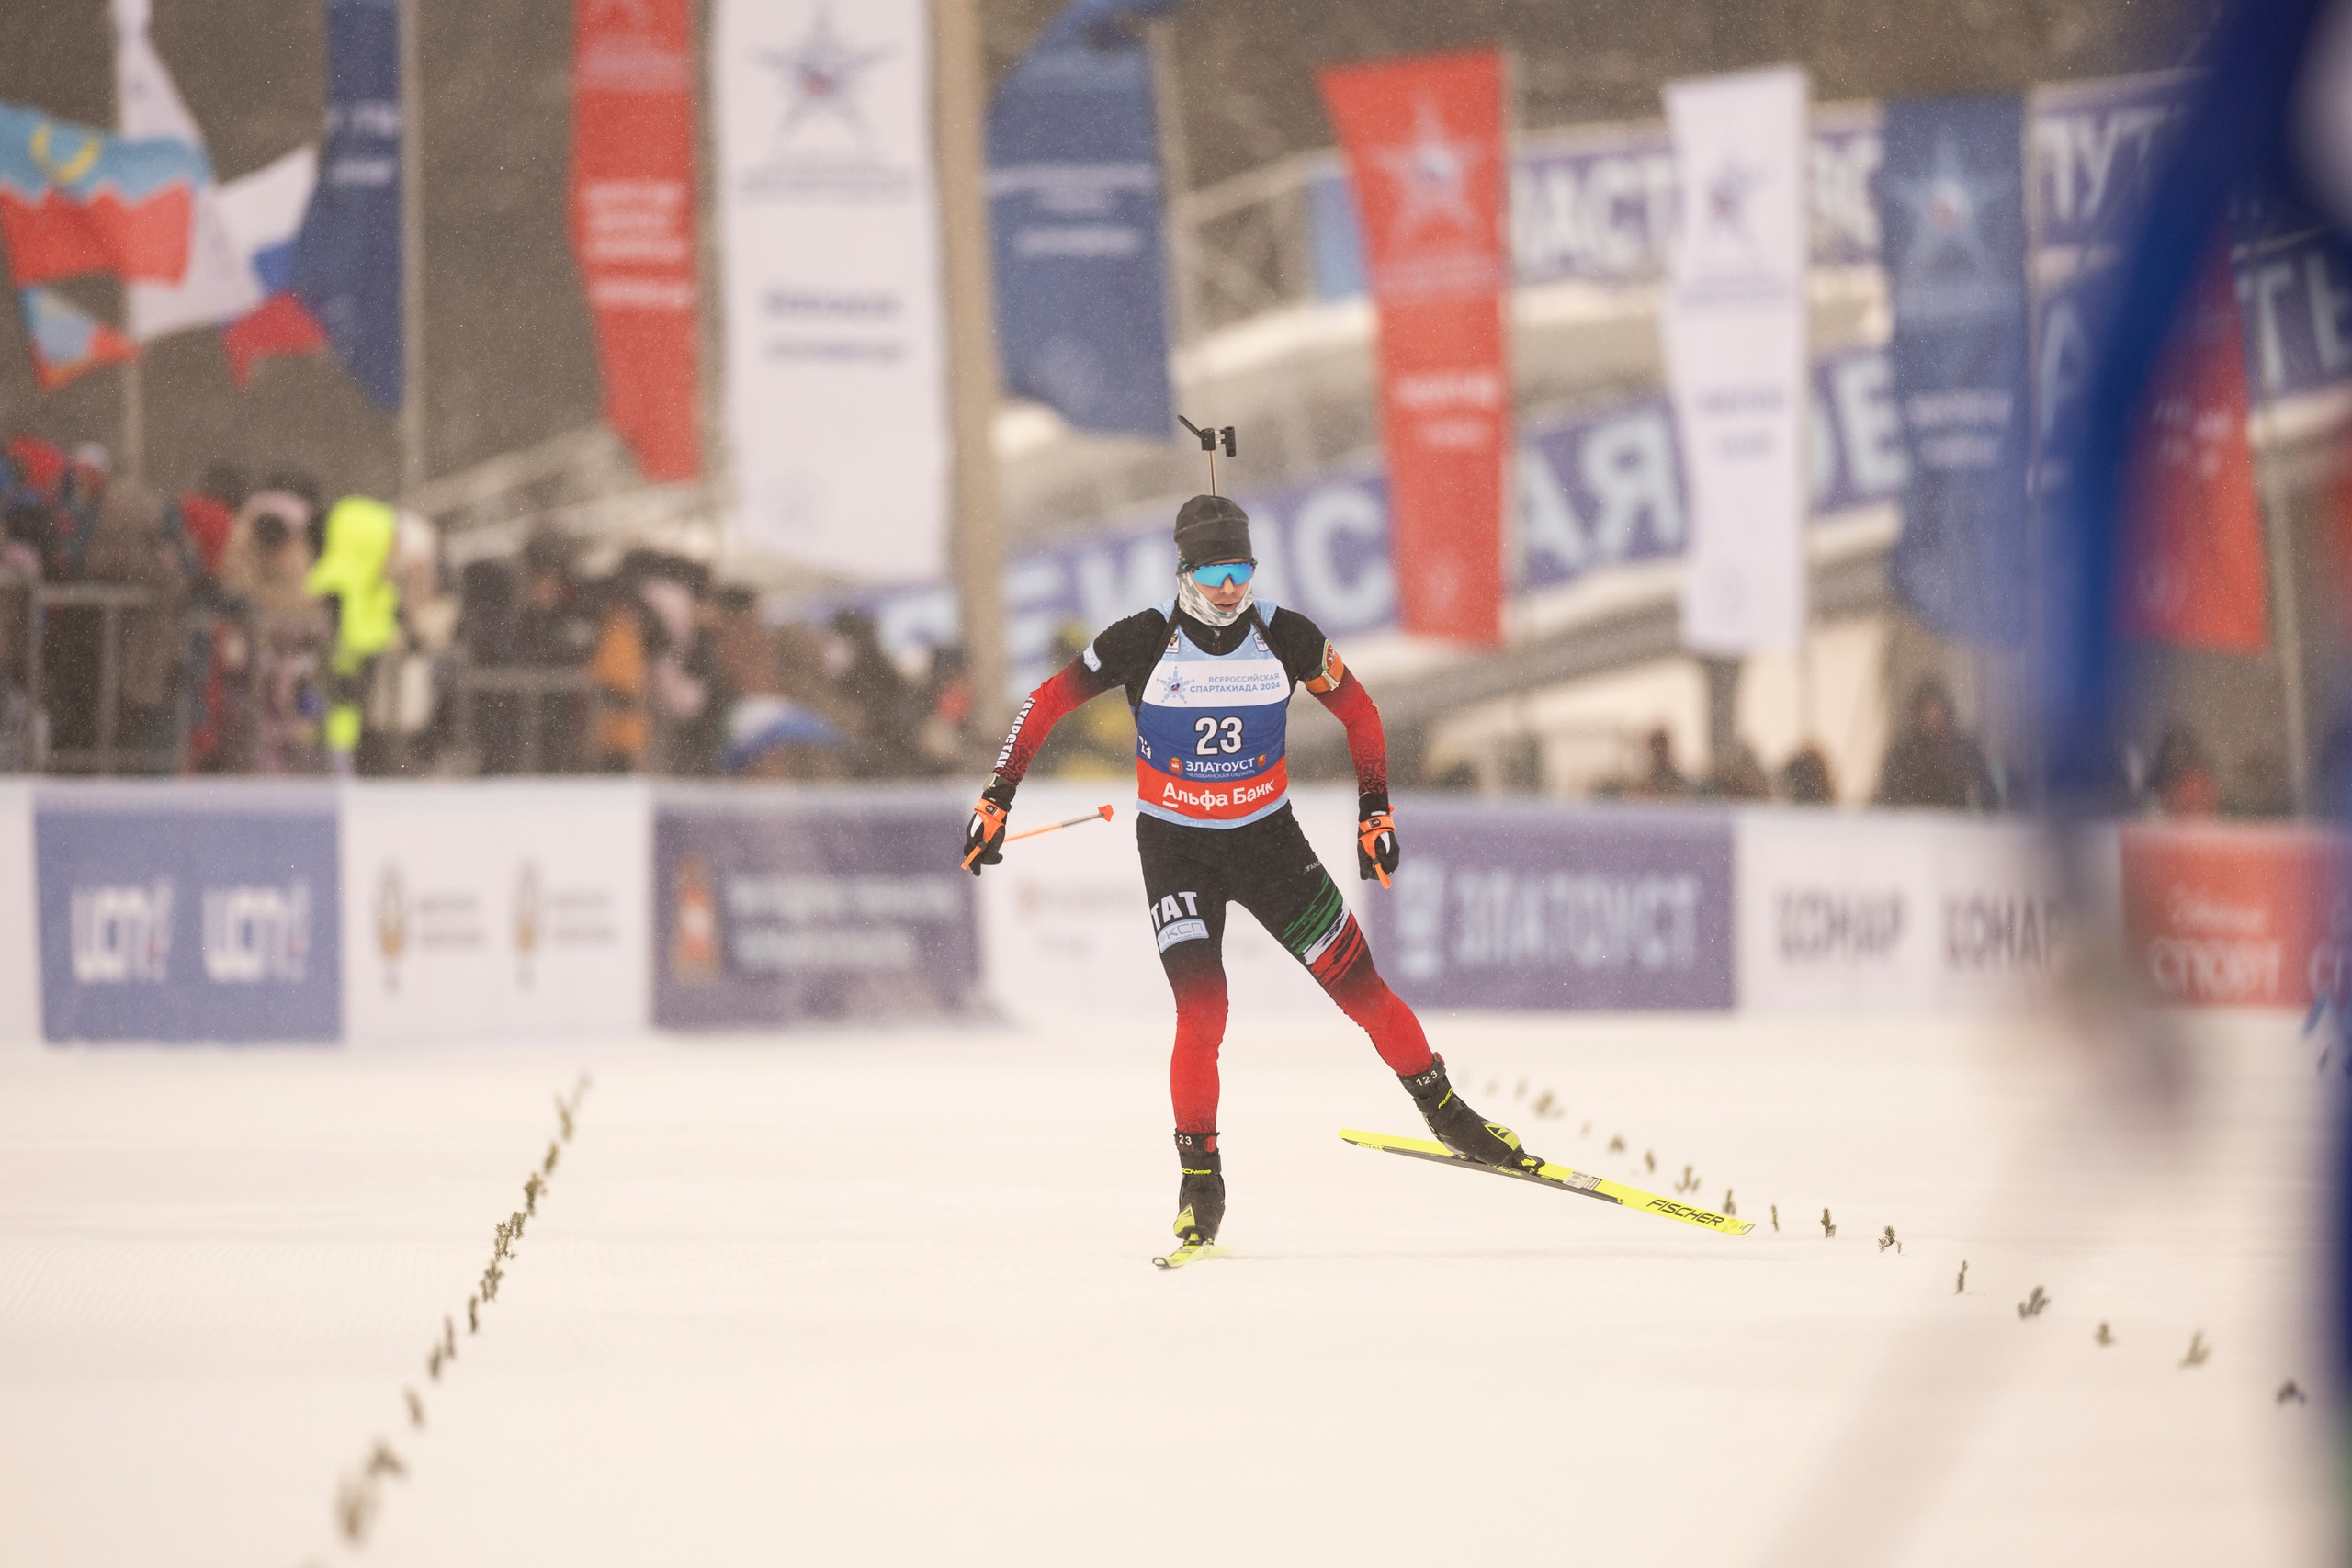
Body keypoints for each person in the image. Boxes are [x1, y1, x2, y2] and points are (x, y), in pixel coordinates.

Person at [960, 493, 1544, 1253]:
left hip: (1269, 844)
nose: (1229, 587)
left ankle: (1449, 1114)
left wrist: (1375, 813)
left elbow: (1361, 713)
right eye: (1212, 572)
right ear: (1184, 570)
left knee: (1361, 988)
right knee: (1205, 1014)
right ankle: (1200, 1182)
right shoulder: (1145, 638)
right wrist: (997, 795)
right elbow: (1043, 703)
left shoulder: (1284, 634)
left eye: (1240, 569)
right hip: (1177, 849)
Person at [1872, 677, 1998, 811]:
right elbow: (1890, 798)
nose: (1932, 717)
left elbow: (1990, 798)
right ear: (1916, 715)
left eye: (1936, 708)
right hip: (1914, 826)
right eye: (1926, 709)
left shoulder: (1966, 749)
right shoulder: (1903, 753)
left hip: (1959, 827)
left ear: (1947, 710)